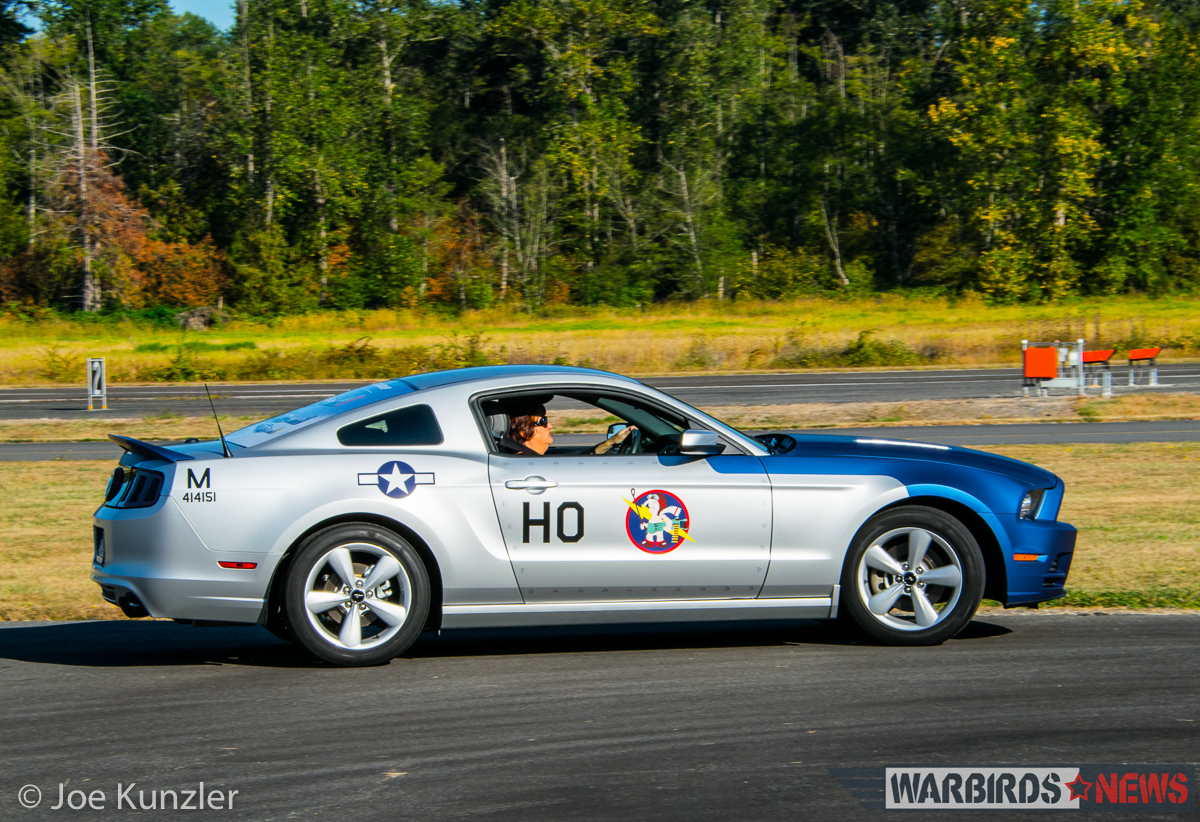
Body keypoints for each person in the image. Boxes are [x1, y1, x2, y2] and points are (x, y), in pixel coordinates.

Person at [497, 400, 638, 456]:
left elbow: (580, 461)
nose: (550, 425)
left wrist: (611, 442)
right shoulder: (527, 463)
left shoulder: (531, 459)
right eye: (543, 421)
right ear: (524, 431)